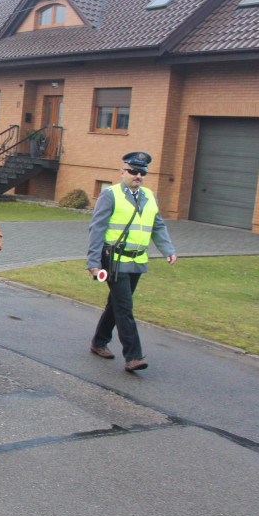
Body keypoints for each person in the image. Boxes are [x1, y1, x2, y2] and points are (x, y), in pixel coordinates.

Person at [86, 151, 178, 372]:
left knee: (116, 304)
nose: (137, 175)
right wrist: (93, 262)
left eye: (141, 172)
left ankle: (99, 342)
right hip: (114, 261)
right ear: (123, 172)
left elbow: (157, 226)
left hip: (137, 261)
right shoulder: (110, 194)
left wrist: (168, 249)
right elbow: (97, 228)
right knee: (125, 307)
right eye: (133, 171)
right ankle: (133, 356)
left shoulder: (150, 196)